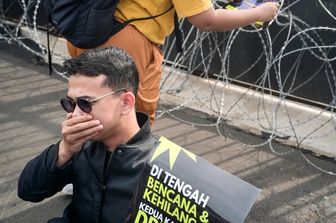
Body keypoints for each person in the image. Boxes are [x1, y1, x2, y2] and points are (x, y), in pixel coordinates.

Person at [67, 0, 280, 126]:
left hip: (84, 26)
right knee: (128, 120)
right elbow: (206, 20)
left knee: (87, 109)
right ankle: (114, 183)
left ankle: (80, 174)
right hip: (126, 41)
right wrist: (260, 12)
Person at [18, 46, 160, 223]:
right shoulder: (80, 145)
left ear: (125, 102)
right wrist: (63, 150)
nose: (75, 114)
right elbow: (28, 191)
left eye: (85, 103)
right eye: (70, 103)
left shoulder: (162, 165)